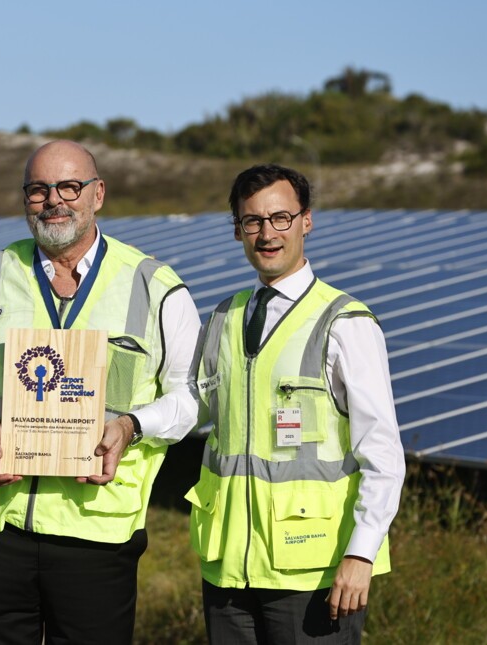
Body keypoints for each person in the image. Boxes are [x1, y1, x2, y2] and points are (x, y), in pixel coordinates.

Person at [0, 140, 201, 644]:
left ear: (98, 194)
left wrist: (130, 428)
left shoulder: (156, 286)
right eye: (38, 190)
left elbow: (190, 397)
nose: (54, 200)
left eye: (70, 186)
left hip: (96, 529)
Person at [186, 163, 405, 643]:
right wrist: (128, 423)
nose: (267, 233)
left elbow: (383, 453)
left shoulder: (346, 322)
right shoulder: (224, 316)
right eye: (252, 221)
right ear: (238, 230)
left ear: (306, 220)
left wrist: (361, 554)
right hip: (229, 569)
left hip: (315, 572)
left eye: (280, 218)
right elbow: (189, 404)